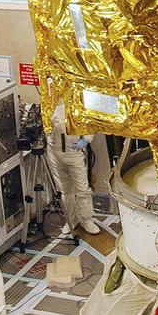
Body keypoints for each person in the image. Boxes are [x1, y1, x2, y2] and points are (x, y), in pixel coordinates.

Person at [45, 97, 100, 237]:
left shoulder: (78, 98)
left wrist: (86, 140)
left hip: (74, 151)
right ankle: (71, 219)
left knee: (82, 189)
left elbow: (91, 120)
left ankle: (86, 219)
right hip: (54, 151)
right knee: (64, 190)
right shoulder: (49, 99)